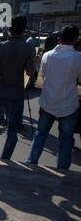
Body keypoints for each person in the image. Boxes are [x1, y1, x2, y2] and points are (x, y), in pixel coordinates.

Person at [0, 15, 38, 160]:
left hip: (0, 91)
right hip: (17, 93)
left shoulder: (0, 46)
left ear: (9, 30)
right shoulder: (28, 48)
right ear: (25, 30)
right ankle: (5, 158)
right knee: (12, 130)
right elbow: (30, 72)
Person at [27, 25, 81, 170]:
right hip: (68, 105)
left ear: (59, 39)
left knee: (40, 134)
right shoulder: (78, 58)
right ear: (76, 40)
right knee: (65, 139)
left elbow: (43, 76)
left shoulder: (47, 55)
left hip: (48, 101)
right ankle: (62, 169)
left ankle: (31, 162)